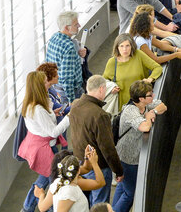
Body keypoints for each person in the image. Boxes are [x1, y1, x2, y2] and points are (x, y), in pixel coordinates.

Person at [18, 70, 71, 212]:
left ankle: (28, 208)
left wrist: (53, 114)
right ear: (39, 86)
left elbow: (43, 122)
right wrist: (68, 117)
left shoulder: (31, 103)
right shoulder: (37, 109)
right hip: (46, 149)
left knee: (44, 181)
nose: (48, 83)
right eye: (45, 81)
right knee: (54, 184)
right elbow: (53, 131)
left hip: (43, 146)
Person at [69, 74, 125, 205]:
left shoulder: (75, 106)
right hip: (98, 166)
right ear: (101, 89)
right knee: (99, 204)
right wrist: (118, 170)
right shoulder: (100, 115)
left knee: (84, 201)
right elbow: (107, 148)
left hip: (80, 164)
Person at [113, 80, 167, 212]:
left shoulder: (145, 105)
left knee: (122, 187)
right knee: (130, 194)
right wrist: (148, 117)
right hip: (128, 158)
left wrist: (152, 111)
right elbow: (145, 127)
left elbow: (163, 106)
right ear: (141, 99)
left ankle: (112, 209)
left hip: (131, 156)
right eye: (150, 95)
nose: (153, 96)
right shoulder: (130, 110)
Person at [33, 148, 106, 211]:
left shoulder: (57, 182)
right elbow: (100, 183)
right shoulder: (70, 190)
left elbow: (42, 208)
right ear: (78, 170)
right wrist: (94, 163)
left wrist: (41, 195)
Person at [103, 33, 162, 110]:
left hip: (141, 101)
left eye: (127, 46)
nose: (125, 49)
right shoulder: (112, 62)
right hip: (123, 105)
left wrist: (150, 79)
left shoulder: (138, 55)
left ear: (132, 46)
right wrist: (111, 88)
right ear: (117, 47)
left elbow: (157, 67)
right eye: (121, 46)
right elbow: (103, 81)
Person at [46, 11, 86, 101]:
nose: (79, 26)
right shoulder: (69, 47)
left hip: (55, 87)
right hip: (70, 92)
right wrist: (71, 101)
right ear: (67, 28)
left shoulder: (54, 37)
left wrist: (77, 53)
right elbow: (67, 78)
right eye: (76, 24)